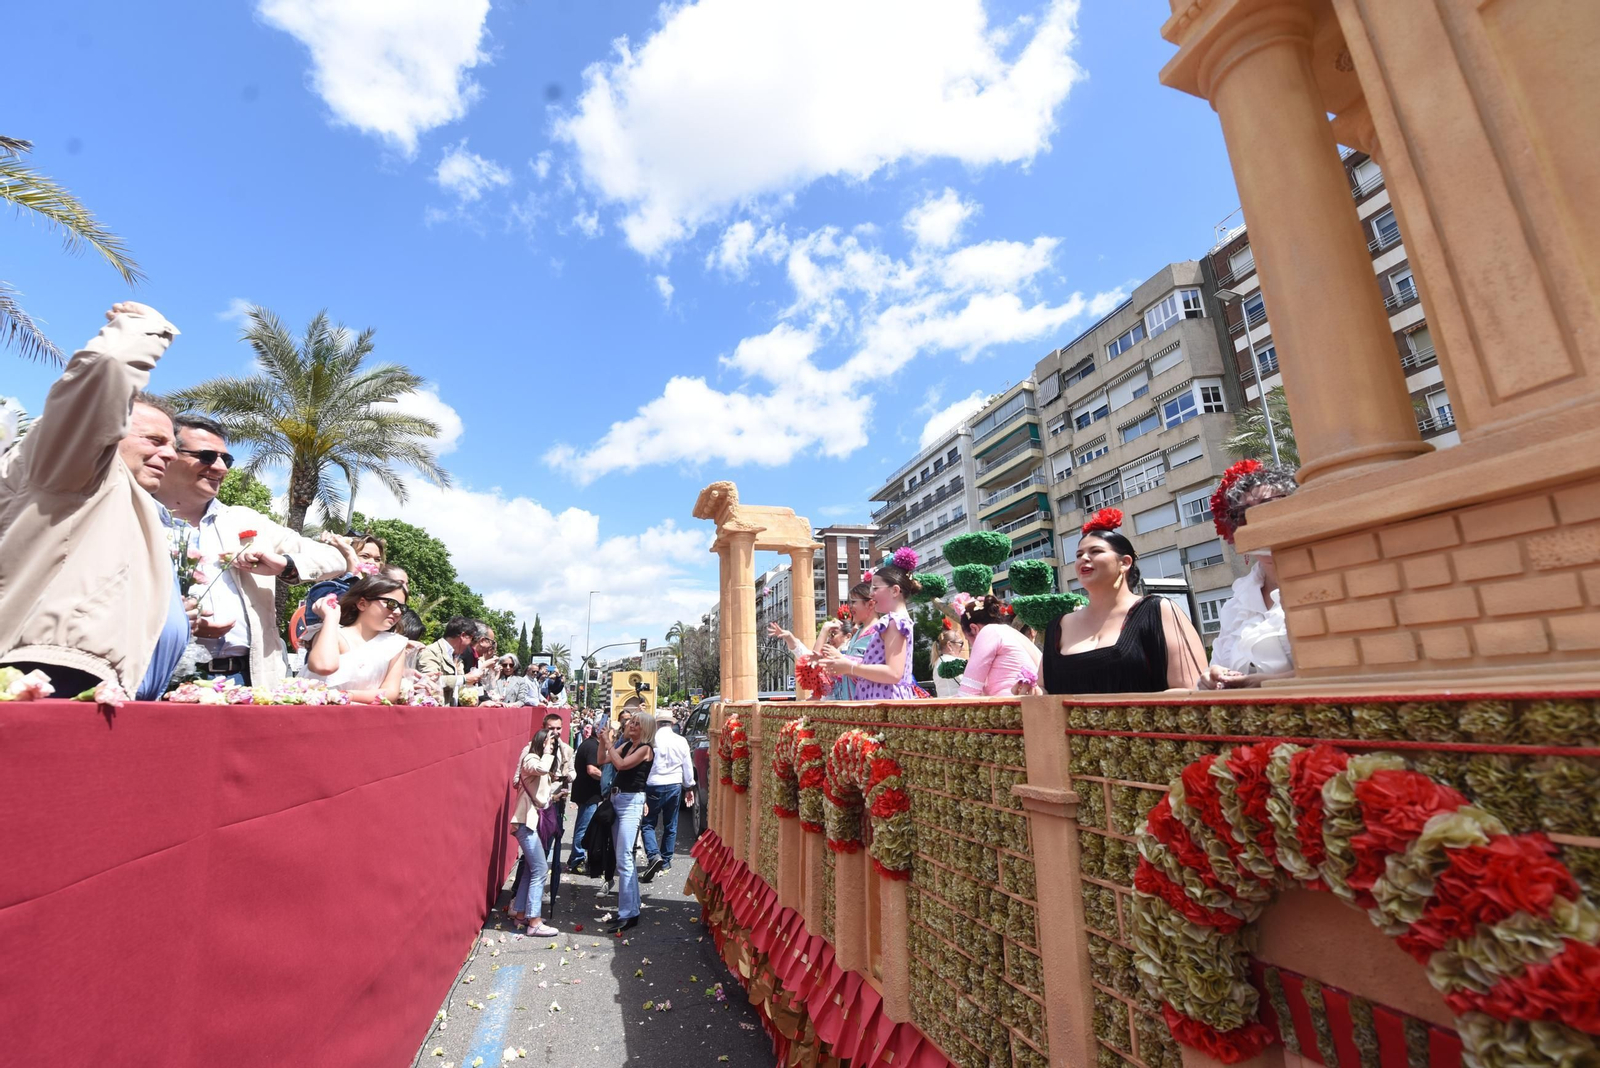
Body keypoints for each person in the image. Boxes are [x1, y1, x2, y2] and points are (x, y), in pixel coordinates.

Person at [0, 302, 192, 701]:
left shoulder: (135, 507)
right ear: (106, 432)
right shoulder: (68, 466)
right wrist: (145, 327)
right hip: (51, 680)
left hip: (114, 695)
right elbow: (107, 367)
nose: (171, 455)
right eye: (154, 440)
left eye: (172, 445)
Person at [155, 414, 346, 686]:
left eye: (226, 459)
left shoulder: (245, 520)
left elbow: (335, 559)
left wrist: (284, 564)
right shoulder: (132, 517)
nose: (221, 468)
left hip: (246, 680)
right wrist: (176, 623)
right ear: (167, 454)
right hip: (158, 675)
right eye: (207, 456)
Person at [1029, 509, 1209, 695]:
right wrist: (1032, 691)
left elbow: (1192, 690)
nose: (1084, 558)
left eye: (1096, 551)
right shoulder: (1058, 626)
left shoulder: (1158, 610)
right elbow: (1045, 690)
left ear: (1125, 563)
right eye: (1078, 554)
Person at [1201, 461, 1300, 689]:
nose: (1255, 521)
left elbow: (1349, 669)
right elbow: (1217, 667)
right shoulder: (1236, 605)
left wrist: (1263, 683)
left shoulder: (1331, 579)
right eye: (1242, 514)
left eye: (1269, 506)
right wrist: (1212, 675)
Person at [300, 575, 412, 702]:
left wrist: (346, 696)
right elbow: (323, 666)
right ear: (362, 604)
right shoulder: (332, 633)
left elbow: (390, 692)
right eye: (391, 604)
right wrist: (331, 618)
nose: (397, 612)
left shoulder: (395, 644)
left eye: (402, 608)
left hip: (362, 716)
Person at [817, 567, 921, 699]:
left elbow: (894, 673)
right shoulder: (894, 621)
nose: (871, 593)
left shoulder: (895, 621)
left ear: (895, 590)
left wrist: (850, 667)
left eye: (875, 588)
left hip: (884, 702)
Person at [598, 710, 654, 932]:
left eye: (637, 723)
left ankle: (628, 913)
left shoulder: (645, 749)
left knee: (624, 858)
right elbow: (603, 760)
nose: (631, 725)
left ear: (646, 729)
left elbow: (620, 765)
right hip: (618, 799)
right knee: (623, 857)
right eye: (632, 721)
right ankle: (630, 910)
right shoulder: (628, 744)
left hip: (631, 802)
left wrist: (610, 744)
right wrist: (604, 742)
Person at [509, 726, 559, 936]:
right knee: (539, 869)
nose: (553, 746)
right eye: (549, 741)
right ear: (541, 741)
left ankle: (521, 915)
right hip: (525, 823)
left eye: (554, 743)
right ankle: (534, 922)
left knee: (532, 870)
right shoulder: (531, 758)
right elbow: (539, 770)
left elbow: (541, 791)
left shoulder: (538, 760)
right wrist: (547, 752)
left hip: (530, 822)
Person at [293, 533, 387, 643]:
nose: (372, 563)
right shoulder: (326, 589)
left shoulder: (380, 594)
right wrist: (349, 555)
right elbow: (352, 610)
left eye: (377, 559)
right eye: (365, 556)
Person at [640, 708, 696, 882]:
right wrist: (689, 787)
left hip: (653, 785)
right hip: (673, 784)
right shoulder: (680, 741)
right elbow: (687, 765)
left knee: (648, 823)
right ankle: (666, 860)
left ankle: (653, 855)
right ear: (672, 723)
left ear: (657, 723)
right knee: (670, 824)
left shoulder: (650, 740)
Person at [956, 597, 1042, 697]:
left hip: (1010, 707)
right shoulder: (1012, 633)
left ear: (974, 628)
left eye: (968, 640)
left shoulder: (988, 631)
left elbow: (967, 693)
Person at [416, 617, 481, 705]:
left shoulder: (456, 656)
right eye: (472, 639)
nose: (472, 644)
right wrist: (465, 678)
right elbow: (429, 682)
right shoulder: (431, 652)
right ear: (463, 636)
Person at [569, 718, 603, 873]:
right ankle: (577, 860)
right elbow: (592, 770)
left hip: (586, 792)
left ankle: (576, 858)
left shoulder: (590, 744)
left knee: (583, 825)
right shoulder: (592, 746)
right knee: (584, 827)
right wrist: (608, 779)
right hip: (588, 793)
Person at [932, 625, 969, 697]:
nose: (963, 647)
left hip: (943, 705)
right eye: (961, 643)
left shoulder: (938, 662)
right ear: (949, 645)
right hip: (958, 705)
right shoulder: (955, 662)